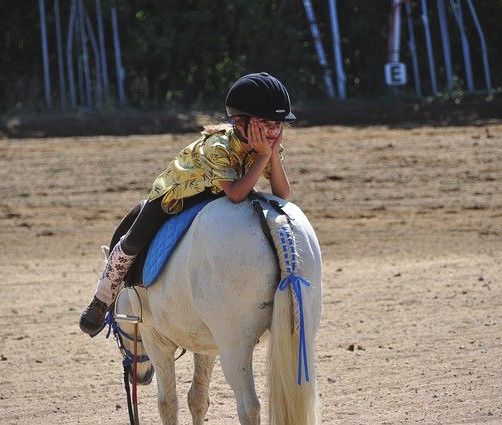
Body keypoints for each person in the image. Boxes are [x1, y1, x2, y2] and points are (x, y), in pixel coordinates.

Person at [79, 72, 295, 335]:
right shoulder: (219, 146)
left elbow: (282, 194)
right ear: (240, 122)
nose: (273, 130)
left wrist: (270, 154)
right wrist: (263, 155)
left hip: (216, 192)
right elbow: (236, 194)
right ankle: (102, 299)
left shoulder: (267, 144)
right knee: (134, 240)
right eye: (265, 122)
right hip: (176, 193)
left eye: (278, 124)